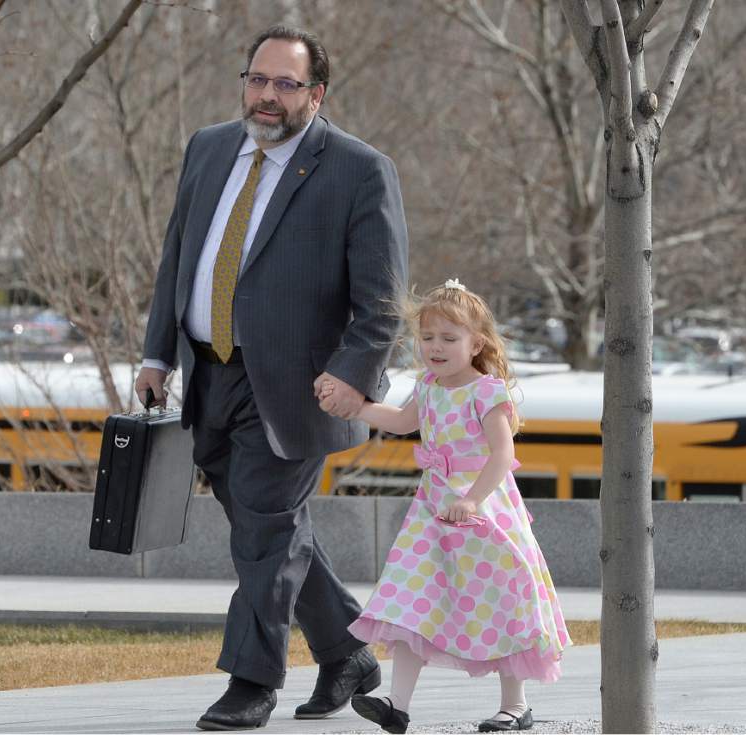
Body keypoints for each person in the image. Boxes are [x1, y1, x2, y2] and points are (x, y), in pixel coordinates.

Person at [134, 25, 409, 731]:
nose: (267, 95)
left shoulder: (357, 169)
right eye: (257, 79)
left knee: (264, 523)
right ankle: (349, 650)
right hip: (208, 373)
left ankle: (251, 680)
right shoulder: (208, 146)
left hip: (297, 385)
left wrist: (356, 376)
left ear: (316, 94)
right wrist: (157, 353)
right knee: (270, 529)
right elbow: (179, 257)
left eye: (285, 84)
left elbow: (382, 298)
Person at [318, 279, 570, 733]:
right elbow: (399, 421)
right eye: (428, 337)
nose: (435, 347)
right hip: (432, 511)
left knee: (500, 598)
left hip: (483, 510)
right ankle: (397, 703)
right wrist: (356, 407)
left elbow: (502, 456)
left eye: (449, 339)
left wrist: (471, 498)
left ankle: (515, 704)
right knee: (412, 596)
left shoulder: (487, 392)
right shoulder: (429, 386)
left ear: (477, 344)